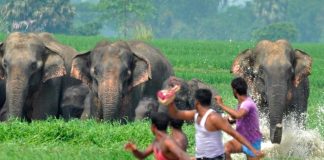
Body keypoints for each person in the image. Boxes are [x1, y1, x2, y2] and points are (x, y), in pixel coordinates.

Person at [159, 88, 264, 160]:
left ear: (197, 102)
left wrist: (253, 149)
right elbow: (175, 113)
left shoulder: (214, 118)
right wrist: (170, 100)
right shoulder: (195, 114)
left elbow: (235, 134)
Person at [215, 77, 262, 160]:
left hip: (252, 142)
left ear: (235, 91)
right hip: (241, 140)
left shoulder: (247, 103)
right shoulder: (241, 103)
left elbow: (238, 115)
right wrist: (227, 120)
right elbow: (235, 117)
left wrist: (221, 104)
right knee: (225, 150)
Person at [124, 112, 191, 160]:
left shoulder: (168, 142)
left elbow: (182, 155)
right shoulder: (156, 141)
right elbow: (142, 155)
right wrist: (134, 150)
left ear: (153, 127)